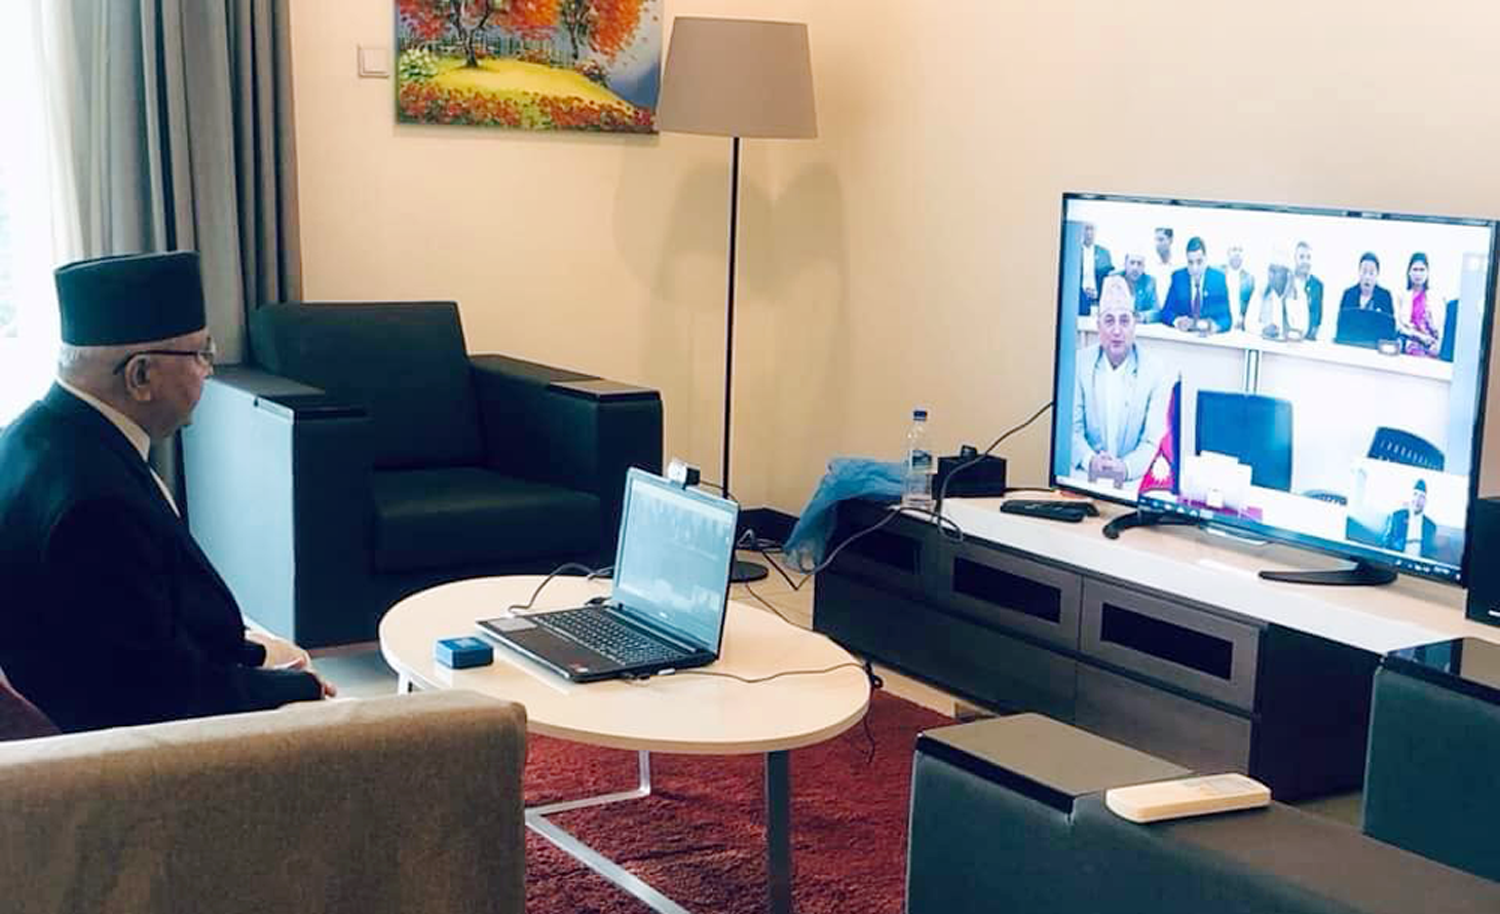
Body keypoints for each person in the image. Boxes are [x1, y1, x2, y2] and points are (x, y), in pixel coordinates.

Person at [0, 252, 332, 734]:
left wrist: (254, 654)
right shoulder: (96, 506)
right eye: (200, 354)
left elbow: (133, 626)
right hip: (118, 750)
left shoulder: (29, 436)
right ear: (140, 376)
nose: (208, 371)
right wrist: (293, 689)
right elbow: (155, 694)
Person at [1073, 276, 1174, 488]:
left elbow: (1152, 441)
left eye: (1124, 321)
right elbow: (1073, 430)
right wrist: (1090, 460)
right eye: (1109, 321)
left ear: (1134, 325)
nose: (1117, 330)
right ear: (1098, 326)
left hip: (1133, 480)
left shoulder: (1155, 371)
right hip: (1085, 476)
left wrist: (1125, 468)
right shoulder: (1080, 364)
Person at [1159, 236, 1232, 332]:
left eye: (1199, 262)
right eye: (1190, 262)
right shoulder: (1178, 278)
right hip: (1183, 336)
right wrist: (1177, 321)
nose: (1195, 268)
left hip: (1208, 337)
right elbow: (1165, 312)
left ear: (1206, 259)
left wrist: (1213, 326)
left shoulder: (1218, 279)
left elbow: (1226, 318)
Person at [1395, 252, 1445, 358]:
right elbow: (1399, 326)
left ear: (1427, 272)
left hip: (1431, 344)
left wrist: (1438, 344)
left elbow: (1440, 327)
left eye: (1422, 270)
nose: (1418, 274)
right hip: (1410, 341)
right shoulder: (1401, 296)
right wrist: (1419, 336)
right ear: (1409, 272)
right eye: (1415, 270)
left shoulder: (1436, 297)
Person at [1383, 478, 1438, 559]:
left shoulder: (1431, 526)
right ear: (1410, 497)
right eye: (1415, 494)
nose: (1417, 499)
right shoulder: (1397, 516)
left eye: (1421, 497)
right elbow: (1386, 543)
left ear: (1426, 501)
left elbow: (1429, 553)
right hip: (1396, 562)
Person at [1336, 251, 1395, 317]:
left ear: (1377, 274)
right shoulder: (1348, 294)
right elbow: (1342, 320)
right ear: (1359, 272)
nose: (1367, 277)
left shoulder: (1385, 296)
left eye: (1371, 273)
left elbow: (1389, 321)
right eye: (1364, 271)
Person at [1290, 241, 1326, 339]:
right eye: (1301, 257)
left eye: (1308, 257)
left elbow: (1317, 318)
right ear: (1295, 259)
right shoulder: (1287, 280)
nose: (1305, 261)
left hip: (1307, 339)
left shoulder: (1317, 285)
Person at [1078, 222, 1114, 314]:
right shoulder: (1075, 251)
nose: (1089, 232)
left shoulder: (1104, 253)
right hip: (1078, 298)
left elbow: (1108, 277)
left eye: (1092, 229)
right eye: (1086, 229)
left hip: (1098, 299)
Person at [1115, 251, 1159, 320]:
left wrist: (1141, 316)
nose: (1135, 268)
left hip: (1138, 323)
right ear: (1125, 265)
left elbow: (1157, 312)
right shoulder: (1114, 278)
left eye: (1139, 264)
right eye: (1132, 263)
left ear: (1143, 267)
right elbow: (1104, 309)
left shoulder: (1149, 282)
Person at [1222, 244, 1256, 328]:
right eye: (1234, 249)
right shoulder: (1219, 274)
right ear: (1228, 253)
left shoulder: (1249, 279)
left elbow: (1251, 307)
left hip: (1240, 328)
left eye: (1240, 250)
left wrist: (1243, 319)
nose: (1237, 253)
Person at [1145, 227, 1178, 307]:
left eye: (1161, 240)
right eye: (1156, 240)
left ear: (1170, 240)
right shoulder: (1150, 267)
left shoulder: (1179, 266)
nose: (1157, 244)